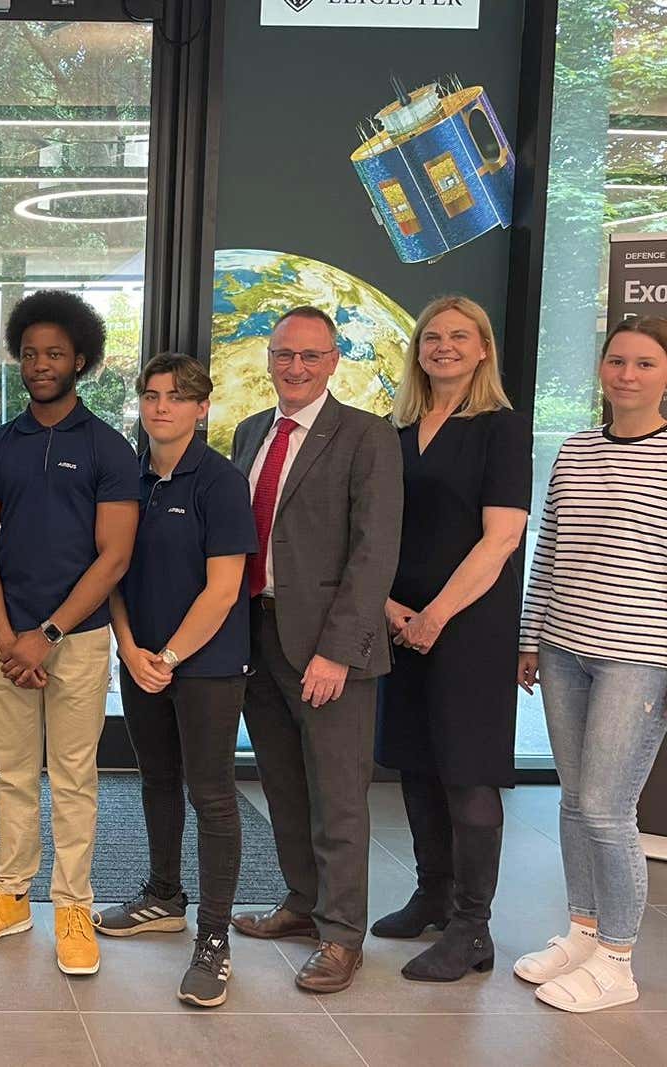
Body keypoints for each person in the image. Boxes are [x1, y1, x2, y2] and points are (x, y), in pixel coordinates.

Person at [0, 290, 138, 978]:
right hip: (5, 638)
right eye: (30, 353)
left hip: (78, 640)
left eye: (54, 353)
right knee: (14, 775)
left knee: (76, 778)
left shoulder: (110, 448)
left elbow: (113, 556)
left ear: (80, 359)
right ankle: (10, 896)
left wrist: (48, 634)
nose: (40, 364)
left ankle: (73, 907)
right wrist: (7, 636)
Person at [227, 305, 402, 994]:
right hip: (257, 634)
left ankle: (340, 936)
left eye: (310, 355)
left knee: (338, 796)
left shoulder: (365, 435)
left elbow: (373, 551)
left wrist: (338, 651)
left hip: (328, 646)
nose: (295, 367)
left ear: (333, 361)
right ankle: (302, 903)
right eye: (283, 354)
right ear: (269, 359)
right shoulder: (250, 432)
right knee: (282, 784)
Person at [371, 296, 531, 982]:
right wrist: (389, 607)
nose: (443, 346)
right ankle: (431, 894)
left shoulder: (499, 427)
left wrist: (434, 614)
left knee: (467, 771)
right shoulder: (397, 428)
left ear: (484, 348)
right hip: (399, 619)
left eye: (459, 336)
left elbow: (502, 538)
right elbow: (371, 528)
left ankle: (473, 926)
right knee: (415, 762)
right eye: (431, 336)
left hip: (468, 624)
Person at [514, 316, 667, 1013]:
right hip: (565, 647)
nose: (626, 375)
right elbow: (548, 553)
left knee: (608, 808)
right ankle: (581, 931)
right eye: (616, 361)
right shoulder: (575, 451)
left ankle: (618, 958)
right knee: (574, 802)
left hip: (640, 656)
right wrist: (529, 636)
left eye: (643, 363)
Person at [94, 354, 256, 1007]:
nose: (161, 406)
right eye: (152, 395)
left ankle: (214, 939)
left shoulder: (219, 482)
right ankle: (164, 895)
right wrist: (130, 648)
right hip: (143, 658)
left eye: (176, 396)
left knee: (211, 794)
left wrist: (166, 656)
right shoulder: (130, 478)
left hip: (208, 665)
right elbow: (115, 574)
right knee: (158, 779)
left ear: (201, 408)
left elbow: (223, 590)